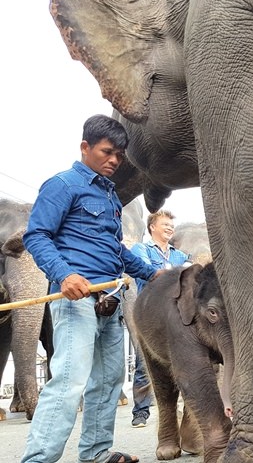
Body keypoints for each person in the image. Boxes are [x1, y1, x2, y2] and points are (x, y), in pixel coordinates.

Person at [21, 115, 162, 463]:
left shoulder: (110, 196)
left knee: (109, 381)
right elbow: (37, 236)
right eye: (106, 152)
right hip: (76, 300)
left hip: (110, 300)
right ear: (85, 147)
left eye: (119, 155)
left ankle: (96, 452)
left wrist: (152, 273)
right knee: (69, 381)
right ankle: (37, 458)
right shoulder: (62, 185)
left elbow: (117, 251)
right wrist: (64, 275)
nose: (114, 160)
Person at [128, 210, 190, 428]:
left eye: (172, 225)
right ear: (152, 227)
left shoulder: (179, 255)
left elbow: (190, 275)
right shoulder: (141, 250)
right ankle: (141, 411)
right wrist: (175, 274)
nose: (170, 228)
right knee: (145, 365)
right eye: (165, 224)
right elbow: (149, 273)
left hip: (177, 316)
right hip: (151, 315)